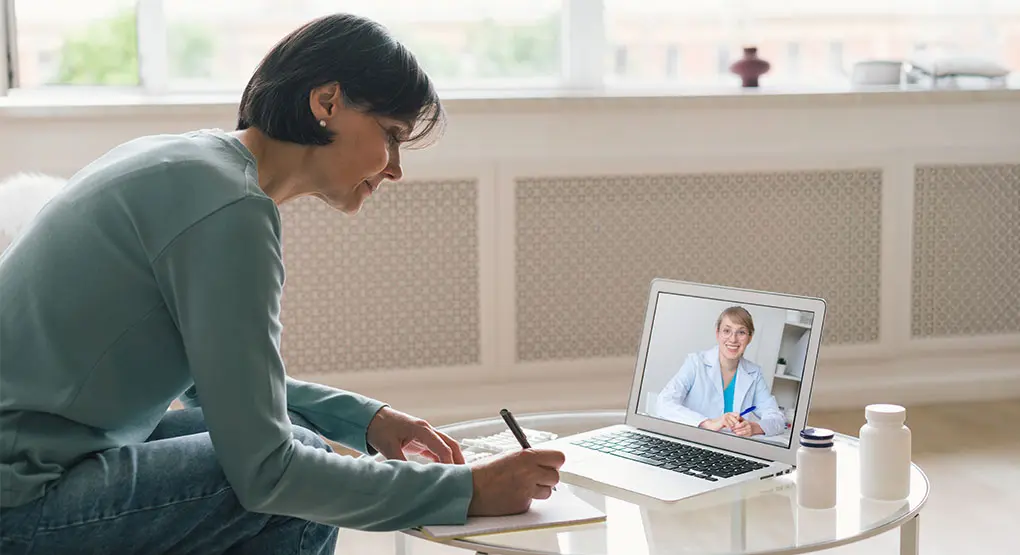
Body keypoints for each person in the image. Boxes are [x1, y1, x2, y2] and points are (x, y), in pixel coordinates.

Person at [0, 13, 564, 555]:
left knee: (295, 441)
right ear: (327, 102)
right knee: (292, 474)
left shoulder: (193, 166)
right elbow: (266, 475)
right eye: (391, 136)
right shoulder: (229, 209)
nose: (395, 168)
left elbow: (216, 382)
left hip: (37, 465)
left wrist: (367, 419)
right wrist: (467, 492)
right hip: (23, 501)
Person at [654, 306, 785, 437]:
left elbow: (777, 419)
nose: (733, 339)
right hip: (692, 442)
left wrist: (755, 427)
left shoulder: (754, 373)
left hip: (730, 449)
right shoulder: (696, 363)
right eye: (727, 331)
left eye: (741, 332)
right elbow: (664, 403)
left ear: (750, 338)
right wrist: (707, 423)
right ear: (718, 334)